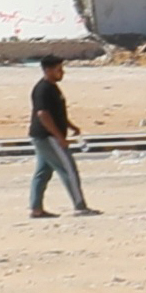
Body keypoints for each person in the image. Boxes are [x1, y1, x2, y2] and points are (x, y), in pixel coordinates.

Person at [26, 57, 92, 217]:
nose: (62, 73)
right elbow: (43, 114)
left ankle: (36, 209)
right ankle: (80, 206)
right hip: (47, 137)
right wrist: (59, 137)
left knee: (43, 173)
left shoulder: (53, 88)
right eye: (58, 70)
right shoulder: (43, 89)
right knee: (68, 169)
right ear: (48, 70)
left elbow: (57, 113)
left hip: (44, 136)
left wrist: (71, 126)